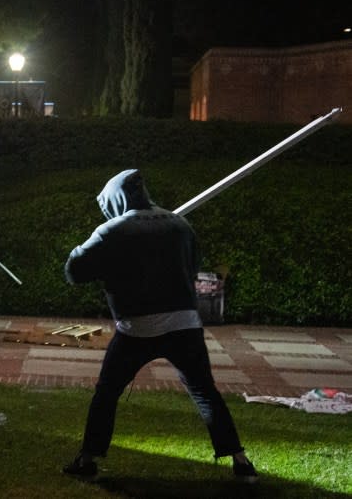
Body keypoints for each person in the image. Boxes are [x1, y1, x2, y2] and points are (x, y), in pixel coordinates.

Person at [61, 169, 256, 483]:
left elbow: (73, 271)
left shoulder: (111, 230)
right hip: (185, 324)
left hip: (136, 328)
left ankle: (88, 460)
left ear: (115, 199)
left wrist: (93, 255)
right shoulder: (180, 224)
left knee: (107, 393)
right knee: (205, 392)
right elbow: (193, 265)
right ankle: (242, 462)